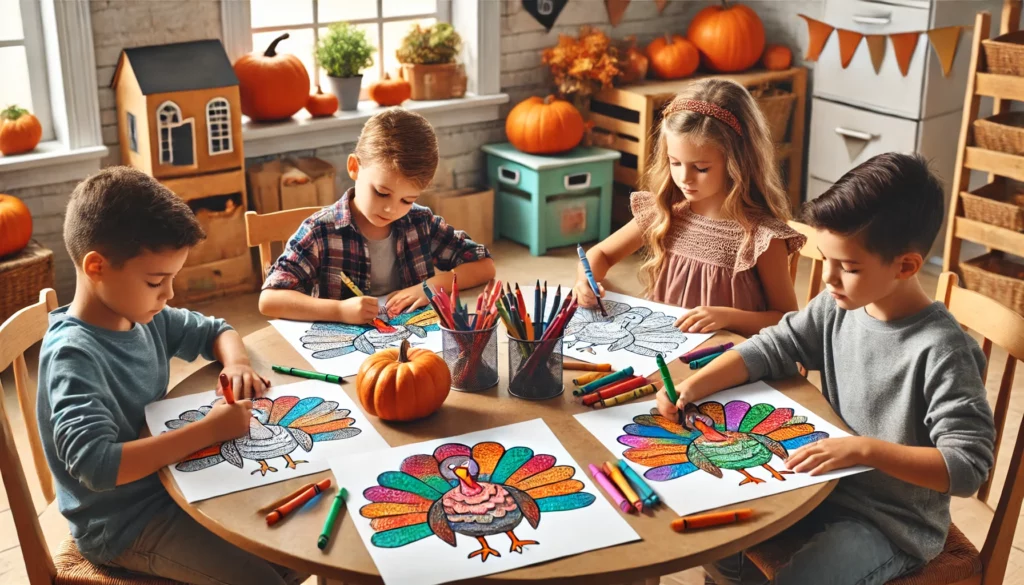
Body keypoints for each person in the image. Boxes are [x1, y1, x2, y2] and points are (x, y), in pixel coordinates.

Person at [657, 153, 996, 584]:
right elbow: (774, 345)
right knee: (716, 537)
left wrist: (863, 449)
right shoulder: (839, 305)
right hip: (821, 488)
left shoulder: (944, 352)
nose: (829, 279)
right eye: (826, 260)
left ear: (906, 266)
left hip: (891, 523)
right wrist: (694, 385)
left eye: (848, 267)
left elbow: (967, 467)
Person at [37, 167, 305, 585]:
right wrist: (207, 431)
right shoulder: (74, 357)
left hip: (170, 485)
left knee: (297, 545)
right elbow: (98, 466)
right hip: (123, 524)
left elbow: (217, 330)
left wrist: (236, 364)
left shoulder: (142, 315)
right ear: (97, 267)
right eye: (156, 281)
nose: (169, 295)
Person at [573, 78, 805, 336]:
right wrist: (585, 280)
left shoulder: (761, 236)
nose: (685, 178)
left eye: (701, 168)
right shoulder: (663, 212)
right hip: (665, 348)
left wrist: (727, 317)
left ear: (738, 163)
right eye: (675, 163)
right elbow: (600, 255)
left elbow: (786, 320)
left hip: (728, 358)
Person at [259, 108, 495, 324]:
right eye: (382, 193)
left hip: (410, 348)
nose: (391, 210)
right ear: (354, 167)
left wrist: (430, 286)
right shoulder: (319, 232)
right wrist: (339, 311)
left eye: (407, 200)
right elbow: (269, 300)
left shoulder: (420, 223)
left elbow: (484, 266)